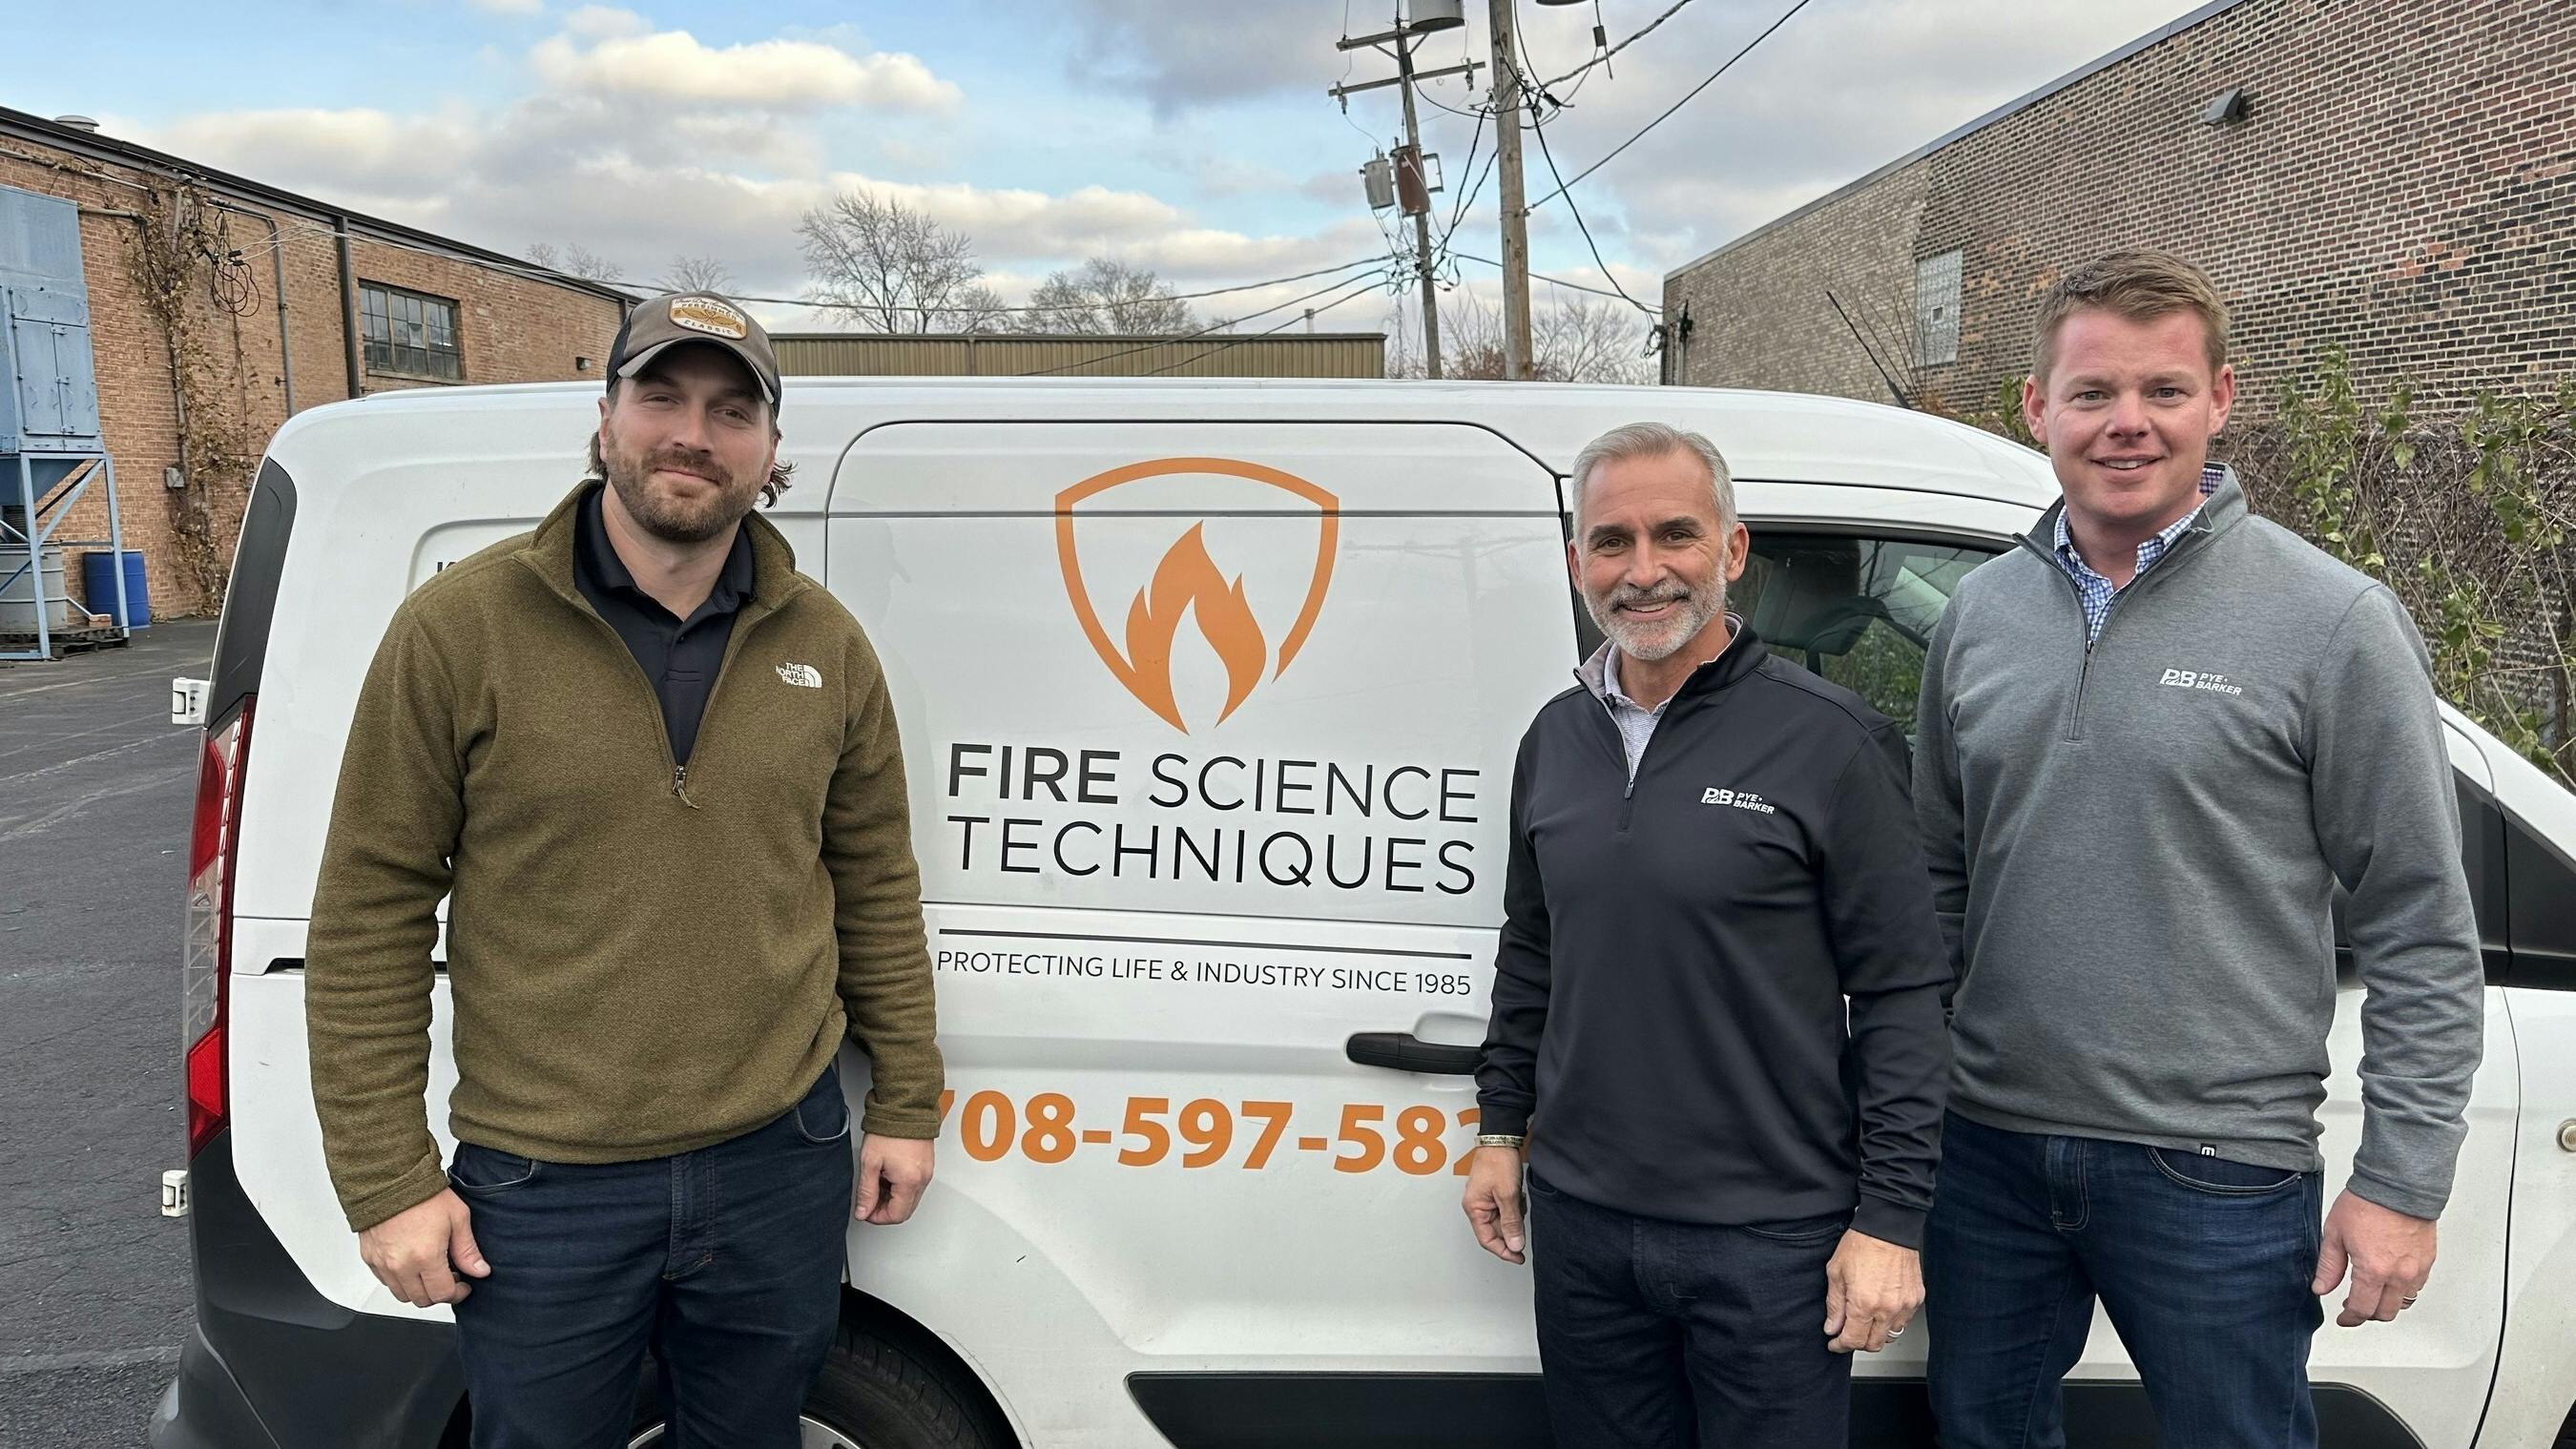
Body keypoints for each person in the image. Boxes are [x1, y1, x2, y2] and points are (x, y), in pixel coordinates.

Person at [304, 291, 945, 1448]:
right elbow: (370, 908)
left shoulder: (826, 645)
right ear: (605, 418)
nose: (692, 432)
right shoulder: (461, 629)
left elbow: (874, 883)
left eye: (730, 408)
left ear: (768, 450)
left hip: (778, 1161)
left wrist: (906, 1094)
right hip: (545, 1185)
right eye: (661, 396)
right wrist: (386, 1176)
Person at [1914, 251, 2485, 1448]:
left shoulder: (2330, 622)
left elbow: (2422, 924)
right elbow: (1936, 884)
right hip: (1989, 1154)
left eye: (2164, 391)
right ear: (2038, 408)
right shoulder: (1979, 616)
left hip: (2219, 1170)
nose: (2128, 423)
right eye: (2093, 393)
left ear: (2221, 399)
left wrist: (2402, 1180)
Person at [1463, 422, 1952, 1448]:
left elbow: (1906, 993)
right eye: (1612, 542)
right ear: (1577, 564)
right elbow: (1532, 947)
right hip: (1585, 1226)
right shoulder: (1555, 738)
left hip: (1770, 1240)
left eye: (1675, 535)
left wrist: (1890, 1219)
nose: (1644, 572)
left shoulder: (1832, 741)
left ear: (1731, 552)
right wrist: (1501, 1130)